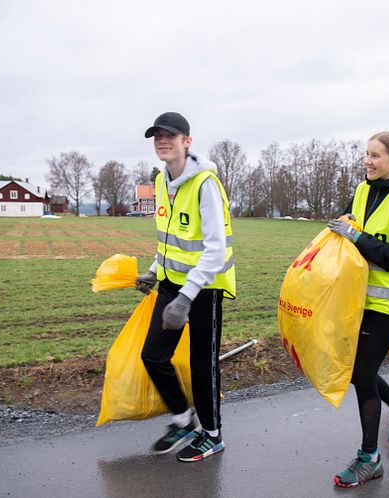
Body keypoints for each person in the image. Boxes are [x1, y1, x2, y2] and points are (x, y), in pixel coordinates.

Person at [327, 131, 389, 488]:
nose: (368, 161)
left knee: (361, 373)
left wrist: (357, 238)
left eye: (376, 156)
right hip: (361, 298)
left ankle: (370, 458)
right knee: (359, 370)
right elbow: (360, 229)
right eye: (366, 154)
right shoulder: (362, 189)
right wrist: (348, 228)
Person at [135, 112, 236, 462]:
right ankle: (182, 418)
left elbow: (214, 249)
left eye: (170, 136)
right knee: (153, 354)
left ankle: (212, 434)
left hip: (204, 288)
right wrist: (152, 270)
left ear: (187, 142)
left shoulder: (205, 183)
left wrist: (186, 298)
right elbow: (170, 238)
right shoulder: (163, 181)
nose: (163, 141)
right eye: (157, 136)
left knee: (202, 364)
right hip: (170, 283)